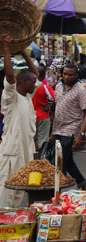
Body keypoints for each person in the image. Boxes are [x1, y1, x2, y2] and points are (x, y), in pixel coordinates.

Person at [0, 36, 39, 207]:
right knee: (6, 188)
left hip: (26, 150)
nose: (34, 84)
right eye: (31, 83)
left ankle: (11, 222)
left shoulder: (28, 96)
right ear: (22, 82)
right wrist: (7, 49)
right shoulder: (11, 97)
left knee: (19, 190)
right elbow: (9, 75)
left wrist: (23, 51)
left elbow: (35, 74)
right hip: (12, 150)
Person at [51, 64, 86, 193]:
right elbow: (56, 105)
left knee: (60, 160)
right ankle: (84, 185)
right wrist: (52, 131)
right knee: (66, 159)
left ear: (76, 75)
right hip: (57, 128)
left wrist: (81, 134)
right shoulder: (58, 86)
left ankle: (58, 191)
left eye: (70, 75)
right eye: (65, 74)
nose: (67, 77)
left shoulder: (80, 90)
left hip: (71, 129)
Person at [32, 66, 55, 151]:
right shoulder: (45, 87)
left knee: (31, 140)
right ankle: (42, 160)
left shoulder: (27, 87)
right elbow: (56, 97)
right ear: (43, 76)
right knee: (43, 141)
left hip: (30, 116)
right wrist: (50, 106)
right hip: (43, 115)